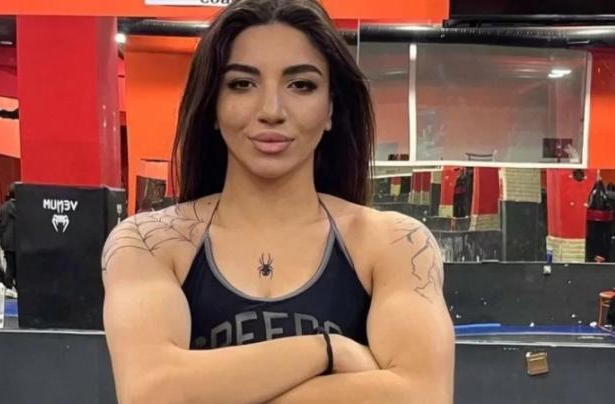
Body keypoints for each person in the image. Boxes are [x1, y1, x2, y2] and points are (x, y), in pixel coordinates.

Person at [101, 1, 454, 403]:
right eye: (242, 84)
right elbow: (150, 394)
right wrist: (328, 350)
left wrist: (208, 390)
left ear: (330, 108)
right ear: (213, 105)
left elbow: (422, 396)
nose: (271, 111)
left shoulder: (395, 244)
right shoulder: (148, 243)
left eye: (301, 85)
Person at [0, 182, 18, 298]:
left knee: (10, 265)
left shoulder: (2, 208)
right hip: (20, 241)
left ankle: (9, 287)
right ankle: (17, 287)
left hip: (7, 241)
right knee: (19, 266)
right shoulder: (24, 207)